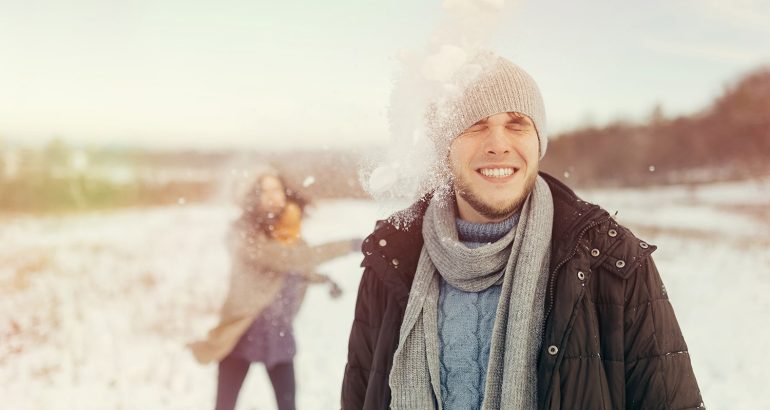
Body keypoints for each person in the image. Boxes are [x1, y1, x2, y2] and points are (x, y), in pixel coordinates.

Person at [341, 52, 704, 409]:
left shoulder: (612, 262)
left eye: (516, 124)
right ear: (444, 148)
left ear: (538, 141)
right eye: (475, 124)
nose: (498, 144)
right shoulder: (391, 258)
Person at [189, 171, 358, 410]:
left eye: (276, 189)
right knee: (224, 406)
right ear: (253, 197)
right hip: (242, 332)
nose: (272, 196)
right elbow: (292, 259)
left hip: (279, 335)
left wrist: (324, 279)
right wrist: (350, 244)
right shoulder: (245, 235)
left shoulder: (288, 236)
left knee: (287, 407)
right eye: (265, 190)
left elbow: (292, 268)